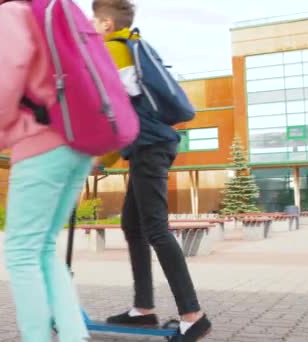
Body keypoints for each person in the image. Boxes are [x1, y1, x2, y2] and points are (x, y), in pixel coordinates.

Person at [0, 1, 91, 341]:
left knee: (21, 252)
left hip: (43, 147)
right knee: (42, 249)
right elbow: (36, 97)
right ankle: (74, 336)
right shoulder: (53, 11)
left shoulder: (11, 11)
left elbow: (0, 88)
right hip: (79, 142)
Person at [91, 1, 212, 341]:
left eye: (94, 19)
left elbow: (119, 112)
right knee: (133, 224)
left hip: (148, 148)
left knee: (156, 229)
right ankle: (143, 309)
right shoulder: (134, 44)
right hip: (146, 147)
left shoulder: (116, 49)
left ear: (106, 23)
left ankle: (193, 314)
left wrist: (102, 156)